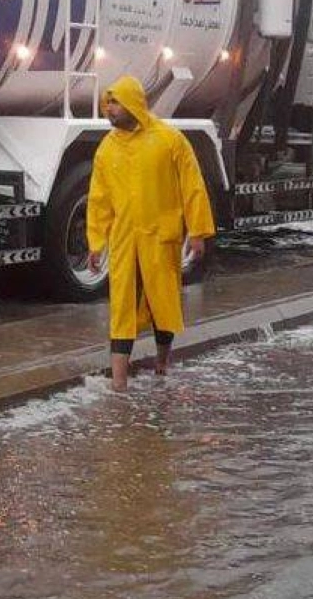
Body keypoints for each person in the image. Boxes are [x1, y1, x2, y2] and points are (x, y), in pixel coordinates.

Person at [86, 76, 216, 392]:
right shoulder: (107, 148)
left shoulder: (169, 140)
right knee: (122, 307)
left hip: (160, 236)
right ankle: (119, 383)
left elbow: (192, 186)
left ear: (133, 104)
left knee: (162, 302)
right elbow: (99, 198)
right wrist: (96, 242)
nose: (109, 109)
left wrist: (197, 231)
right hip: (124, 240)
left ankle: (162, 363)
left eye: (115, 103)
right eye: (108, 103)